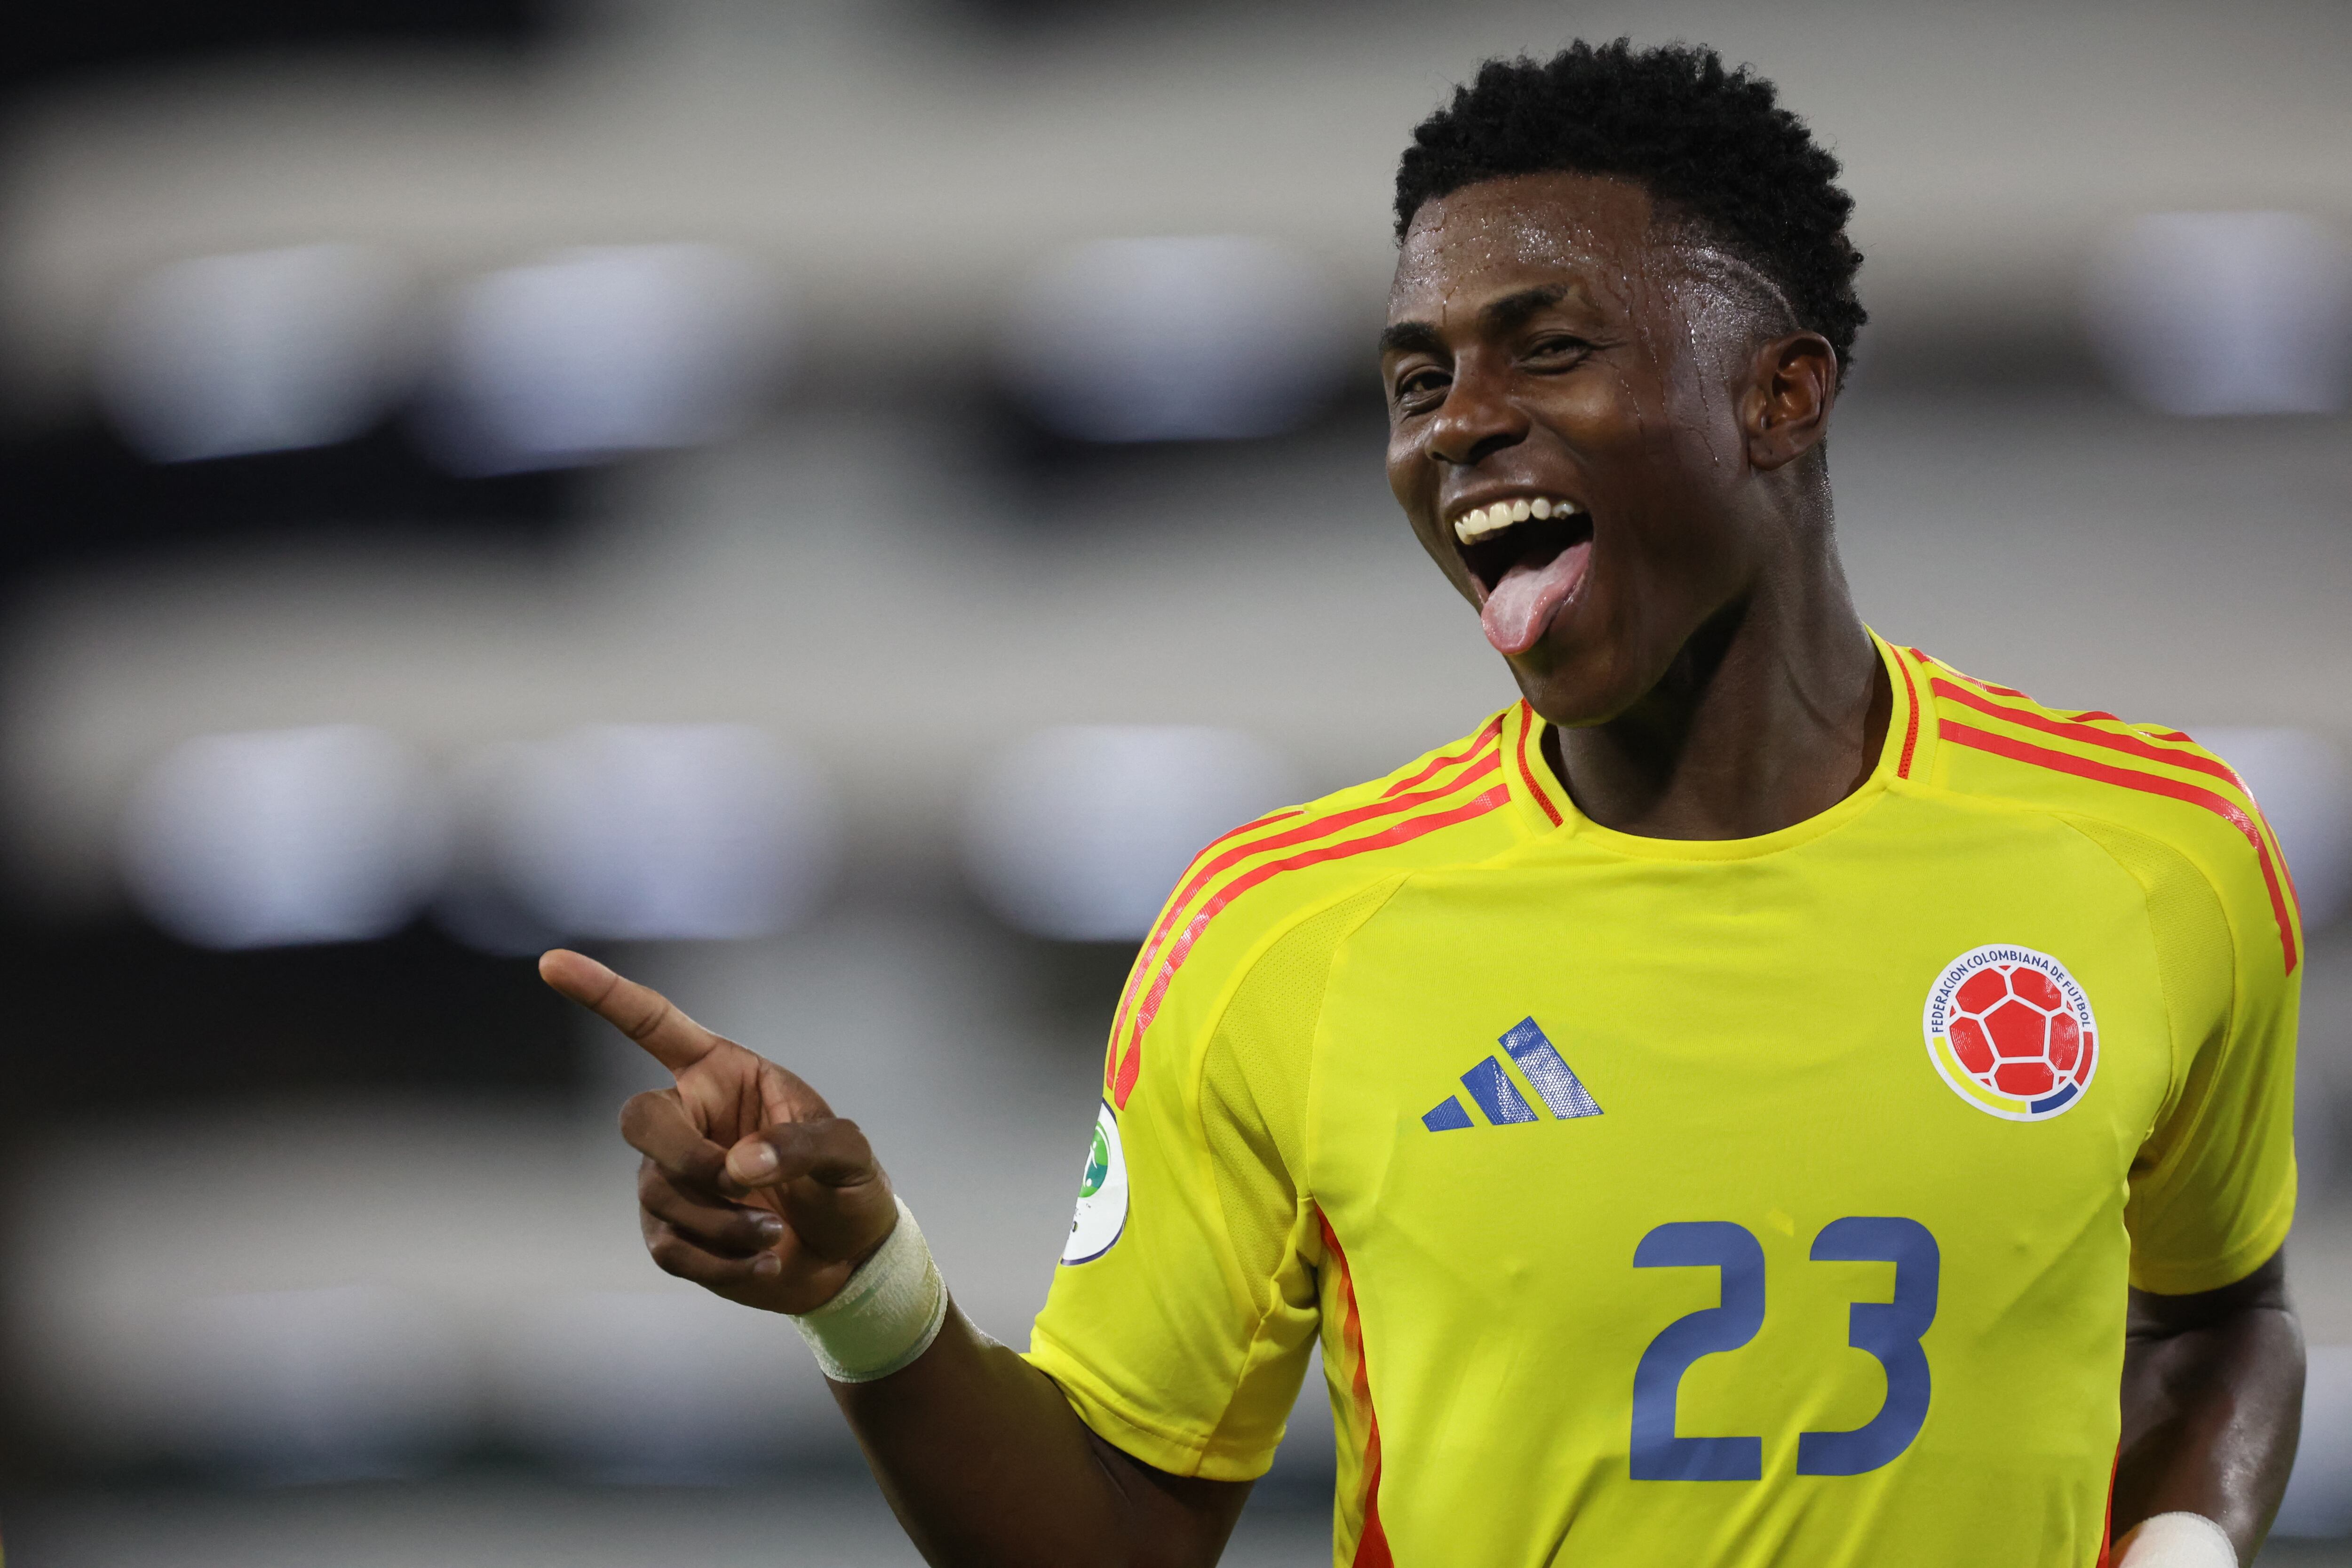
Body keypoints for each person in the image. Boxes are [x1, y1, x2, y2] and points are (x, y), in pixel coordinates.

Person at [540, 39, 2304, 1568]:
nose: (1457, 426)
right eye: (1417, 379)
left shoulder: (2153, 852)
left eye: (1546, 351)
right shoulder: (1286, 935)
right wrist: (868, 1294)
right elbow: (1115, 1534)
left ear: (1781, 395)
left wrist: (2181, 1547)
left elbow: (2221, 1322)